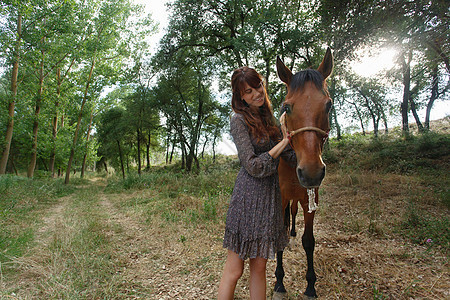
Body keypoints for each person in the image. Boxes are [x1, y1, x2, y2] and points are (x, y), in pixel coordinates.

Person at [218, 66, 296, 299]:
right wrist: (281, 145)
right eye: (249, 91)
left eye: (258, 86)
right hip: (247, 199)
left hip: (270, 200)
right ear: (240, 96)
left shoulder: (269, 118)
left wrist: (300, 134)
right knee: (235, 269)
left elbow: (291, 157)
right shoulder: (239, 121)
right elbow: (252, 165)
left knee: (260, 268)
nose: (257, 94)